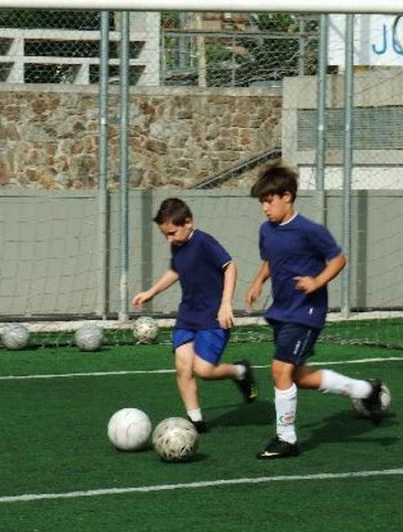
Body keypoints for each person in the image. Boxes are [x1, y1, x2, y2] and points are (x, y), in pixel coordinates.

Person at [245, 162, 387, 459]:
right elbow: (271, 260)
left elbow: (338, 260)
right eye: (262, 203)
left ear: (287, 196)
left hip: (306, 312)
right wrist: (258, 281)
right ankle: (366, 391)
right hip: (282, 311)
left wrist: (317, 281)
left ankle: (286, 439)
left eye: (269, 201)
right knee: (299, 377)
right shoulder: (266, 231)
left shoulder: (310, 230)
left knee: (279, 369)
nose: (265, 208)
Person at [133, 197, 258, 433]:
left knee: (204, 371)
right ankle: (195, 420)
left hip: (213, 317)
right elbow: (175, 269)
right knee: (183, 367)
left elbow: (230, 266)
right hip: (187, 315)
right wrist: (151, 291)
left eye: (171, 233)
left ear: (188, 222)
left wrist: (226, 304)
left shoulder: (204, 242)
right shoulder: (177, 244)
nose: (169, 239)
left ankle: (240, 372)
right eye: (165, 235)